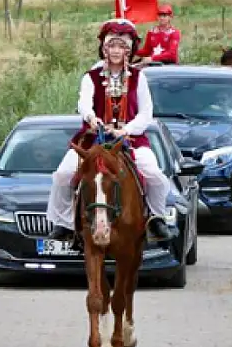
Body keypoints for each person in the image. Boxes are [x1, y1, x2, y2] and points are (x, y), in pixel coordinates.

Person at [46, 19, 172, 243]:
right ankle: (64, 223)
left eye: (121, 47)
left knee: (156, 177)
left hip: (129, 140)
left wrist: (127, 129)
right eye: (111, 46)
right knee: (62, 175)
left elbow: (146, 113)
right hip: (94, 139)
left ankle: (156, 219)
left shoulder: (138, 78)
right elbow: (84, 103)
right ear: (104, 49)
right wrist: (91, 118)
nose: (116, 51)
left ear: (128, 50)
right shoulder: (91, 76)